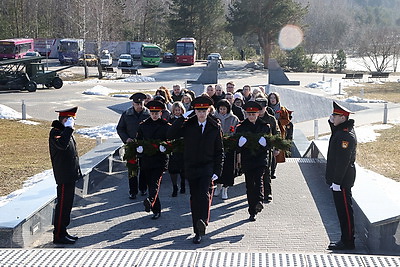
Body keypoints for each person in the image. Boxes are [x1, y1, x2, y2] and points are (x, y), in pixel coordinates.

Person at [167, 95, 224, 244]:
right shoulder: (188, 125)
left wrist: (217, 171)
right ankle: (197, 231)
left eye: (204, 110)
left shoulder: (214, 126)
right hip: (191, 167)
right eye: (198, 111)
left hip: (207, 167)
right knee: (194, 198)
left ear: (208, 111)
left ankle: (202, 222)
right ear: (194, 111)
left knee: (204, 194)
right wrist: (183, 116)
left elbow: (219, 151)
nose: (201, 114)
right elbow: (171, 133)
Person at [326, 101, 357, 250]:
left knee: (345, 211)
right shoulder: (342, 131)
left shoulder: (346, 136)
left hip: (342, 180)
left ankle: (348, 241)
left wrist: (337, 181)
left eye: (335, 115)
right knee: (341, 211)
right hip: (339, 179)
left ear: (343, 118)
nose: (332, 117)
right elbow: (335, 132)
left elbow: (343, 161)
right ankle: (345, 239)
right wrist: (331, 122)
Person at [49, 106, 82, 244]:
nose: (72, 123)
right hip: (63, 175)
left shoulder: (64, 131)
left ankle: (63, 231)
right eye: (70, 119)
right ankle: (58, 235)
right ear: (64, 120)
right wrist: (68, 129)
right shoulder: (56, 132)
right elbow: (62, 145)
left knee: (67, 205)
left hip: (70, 174)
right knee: (62, 205)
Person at [236, 101, 271, 222]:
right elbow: (235, 145)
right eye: (249, 114)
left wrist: (265, 144)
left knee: (259, 180)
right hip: (248, 160)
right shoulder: (241, 127)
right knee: (250, 185)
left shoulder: (265, 126)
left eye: (253, 114)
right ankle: (252, 211)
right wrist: (239, 144)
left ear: (258, 114)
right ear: (246, 114)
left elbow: (271, 143)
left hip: (260, 159)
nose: (251, 116)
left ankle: (260, 201)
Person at [136, 100, 171, 220]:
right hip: (146, 159)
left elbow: (171, 142)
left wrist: (165, 148)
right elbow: (138, 139)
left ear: (161, 113)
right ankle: (156, 208)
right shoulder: (143, 125)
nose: (154, 115)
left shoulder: (165, 126)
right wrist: (138, 148)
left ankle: (151, 202)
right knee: (149, 183)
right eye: (152, 113)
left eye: (157, 113)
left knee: (154, 183)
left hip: (159, 160)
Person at [117, 92, 150, 199]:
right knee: (132, 169)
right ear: (133, 104)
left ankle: (143, 188)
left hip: (144, 146)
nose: (140, 106)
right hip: (131, 146)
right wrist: (126, 139)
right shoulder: (126, 114)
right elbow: (120, 128)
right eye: (137, 104)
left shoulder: (148, 114)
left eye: (141, 104)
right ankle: (133, 191)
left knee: (144, 168)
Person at [255, 97, 280, 203]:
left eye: (262, 108)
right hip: (255, 149)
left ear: (266, 107)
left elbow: (277, 133)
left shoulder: (271, 119)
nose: (260, 110)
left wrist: (276, 147)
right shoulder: (253, 117)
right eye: (258, 108)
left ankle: (268, 193)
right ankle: (257, 194)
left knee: (267, 172)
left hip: (267, 150)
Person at [214, 99, 239, 200]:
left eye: (224, 109)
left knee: (228, 168)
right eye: (220, 109)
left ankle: (225, 188)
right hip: (217, 146)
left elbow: (236, 131)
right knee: (218, 166)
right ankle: (218, 185)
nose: (222, 111)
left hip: (229, 146)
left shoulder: (234, 118)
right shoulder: (214, 117)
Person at [267, 92, 291, 175]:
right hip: (268, 131)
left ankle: (273, 170)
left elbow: (287, 120)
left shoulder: (282, 109)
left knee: (277, 151)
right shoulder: (266, 109)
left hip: (279, 131)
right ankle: (268, 169)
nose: (272, 99)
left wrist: (278, 122)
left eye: (274, 98)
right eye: (271, 98)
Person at [168, 101, 187, 196]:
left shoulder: (186, 120)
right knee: (173, 169)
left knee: (183, 168)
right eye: (175, 110)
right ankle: (175, 186)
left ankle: (183, 184)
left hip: (183, 147)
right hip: (173, 147)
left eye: (179, 110)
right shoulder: (170, 120)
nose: (177, 112)